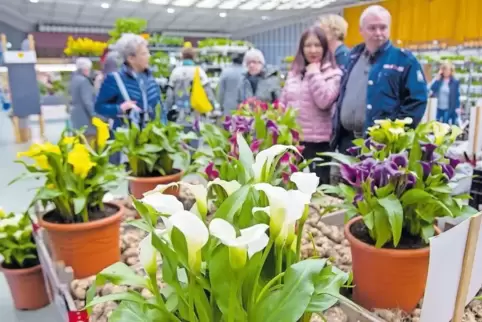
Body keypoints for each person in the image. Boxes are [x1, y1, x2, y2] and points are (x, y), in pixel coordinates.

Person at [331, 5, 428, 154]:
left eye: (383, 27)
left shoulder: (404, 60)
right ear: (361, 30)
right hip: (346, 142)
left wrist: (395, 134)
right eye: (372, 28)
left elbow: (417, 100)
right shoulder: (352, 57)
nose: (378, 33)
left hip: (380, 147)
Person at [280, 27, 342, 185]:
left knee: (317, 189)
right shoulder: (293, 74)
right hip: (294, 143)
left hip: (318, 143)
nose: (312, 50)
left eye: (317, 45)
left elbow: (324, 101)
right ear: (301, 48)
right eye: (308, 45)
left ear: (325, 48)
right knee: (293, 187)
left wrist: (314, 72)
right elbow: (283, 103)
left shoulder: (333, 74)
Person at [95, 33, 162, 134]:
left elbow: (161, 111)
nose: (148, 56)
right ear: (131, 58)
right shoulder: (115, 79)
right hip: (126, 140)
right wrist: (119, 108)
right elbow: (99, 107)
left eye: (148, 53)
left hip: (150, 139)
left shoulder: (151, 79)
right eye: (144, 54)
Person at [164, 45, 217, 123]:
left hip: (179, 113)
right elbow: (208, 93)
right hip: (197, 113)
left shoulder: (175, 72)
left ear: (182, 57)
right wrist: (213, 108)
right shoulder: (199, 71)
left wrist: (166, 110)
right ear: (194, 57)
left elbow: (169, 96)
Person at [70, 58, 95, 140]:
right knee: (89, 144)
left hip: (76, 119)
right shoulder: (84, 81)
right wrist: (95, 116)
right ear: (85, 69)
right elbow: (87, 102)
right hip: (85, 120)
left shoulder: (73, 80)